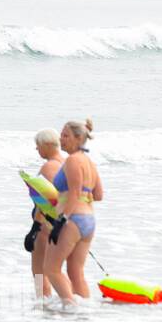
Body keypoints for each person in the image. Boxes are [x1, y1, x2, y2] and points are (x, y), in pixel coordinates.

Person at [44, 119, 105, 305]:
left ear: (78, 138)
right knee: (75, 271)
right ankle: (85, 310)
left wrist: (60, 220)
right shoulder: (89, 162)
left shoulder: (72, 160)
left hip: (72, 220)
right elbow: (99, 194)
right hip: (88, 221)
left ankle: (70, 306)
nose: (61, 139)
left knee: (51, 269)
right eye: (61, 135)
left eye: (65, 135)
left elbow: (75, 193)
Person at [26, 129, 66, 300]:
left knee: (39, 271)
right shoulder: (65, 163)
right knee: (53, 269)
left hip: (47, 225)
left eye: (38, 146)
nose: (37, 150)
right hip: (63, 224)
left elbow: (47, 201)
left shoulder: (49, 166)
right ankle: (64, 300)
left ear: (48, 145)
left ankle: (43, 303)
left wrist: (35, 228)